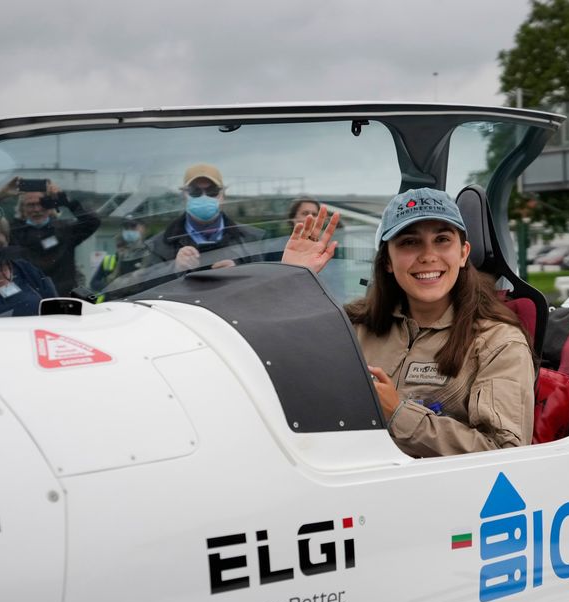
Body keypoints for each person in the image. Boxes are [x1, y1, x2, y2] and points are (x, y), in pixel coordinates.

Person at [283, 188, 535, 457]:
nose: (428, 255)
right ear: (388, 261)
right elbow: (284, 367)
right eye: (409, 242)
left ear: (463, 253)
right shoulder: (355, 326)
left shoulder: (498, 343)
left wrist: (398, 414)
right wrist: (291, 281)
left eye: (442, 240)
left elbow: (505, 453)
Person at [139, 163, 265, 275]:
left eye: (212, 191)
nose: (204, 197)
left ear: (223, 195)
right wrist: (174, 268)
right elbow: (143, 286)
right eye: (195, 192)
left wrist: (238, 272)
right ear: (184, 195)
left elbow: (265, 283)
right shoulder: (159, 244)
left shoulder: (251, 238)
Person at [0, 176, 100, 295]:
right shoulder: (13, 232)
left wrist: (64, 199)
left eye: (41, 203)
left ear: (50, 206)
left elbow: (92, 222)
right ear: (22, 208)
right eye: (30, 205)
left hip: (63, 299)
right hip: (29, 300)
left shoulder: (64, 230)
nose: (37, 209)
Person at [90, 213, 148, 291]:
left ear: (143, 228)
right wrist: (112, 287)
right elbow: (94, 283)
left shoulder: (150, 255)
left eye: (133, 226)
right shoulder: (113, 258)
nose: (129, 230)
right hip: (117, 301)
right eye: (126, 227)